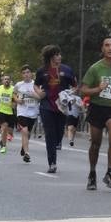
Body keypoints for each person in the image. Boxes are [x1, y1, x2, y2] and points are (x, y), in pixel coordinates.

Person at [78, 36, 111, 191]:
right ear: (102, 48)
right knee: (95, 144)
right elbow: (83, 90)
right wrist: (98, 89)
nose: (110, 48)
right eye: (107, 45)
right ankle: (92, 174)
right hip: (97, 107)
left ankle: (110, 172)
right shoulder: (95, 68)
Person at [36, 45, 78, 174]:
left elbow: (75, 85)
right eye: (57, 54)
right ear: (50, 57)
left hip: (62, 107)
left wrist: (70, 93)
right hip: (46, 106)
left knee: (59, 133)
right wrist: (39, 92)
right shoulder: (42, 71)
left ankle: (56, 143)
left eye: (60, 54)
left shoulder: (67, 69)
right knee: (50, 134)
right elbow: (36, 85)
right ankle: (52, 163)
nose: (59, 57)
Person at [13, 65, 41, 164]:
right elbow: (14, 94)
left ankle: (23, 147)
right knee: (24, 131)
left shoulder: (36, 85)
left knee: (28, 133)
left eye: (28, 72)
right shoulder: (18, 85)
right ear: (22, 75)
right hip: (22, 111)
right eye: (24, 73)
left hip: (33, 112)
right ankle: (27, 153)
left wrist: (35, 95)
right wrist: (17, 100)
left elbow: (41, 97)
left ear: (31, 74)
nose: (26, 74)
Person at [0, 73, 16, 155]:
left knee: (10, 132)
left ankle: (2, 138)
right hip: (1, 111)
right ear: (3, 81)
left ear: (10, 81)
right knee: (4, 127)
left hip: (10, 112)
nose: (6, 80)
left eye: (8, 79)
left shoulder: (14, 89)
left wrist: (14, 103)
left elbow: (16, 98)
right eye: (5, 79)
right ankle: (4, 146)